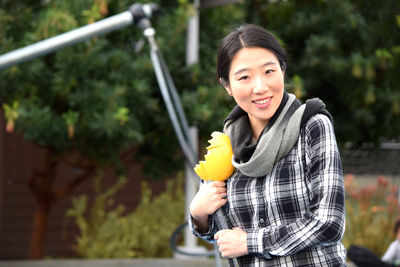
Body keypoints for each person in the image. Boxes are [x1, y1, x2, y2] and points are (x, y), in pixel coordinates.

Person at [189, 24, 346, 266]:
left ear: (282, 70)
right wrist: (198, 214)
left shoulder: (312, 125)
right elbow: (222, 235)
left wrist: (251, 243)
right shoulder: (227, 143)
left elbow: (329, 223)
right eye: (244, 77)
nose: (260, 87)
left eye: (269, 71)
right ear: (227, 86)